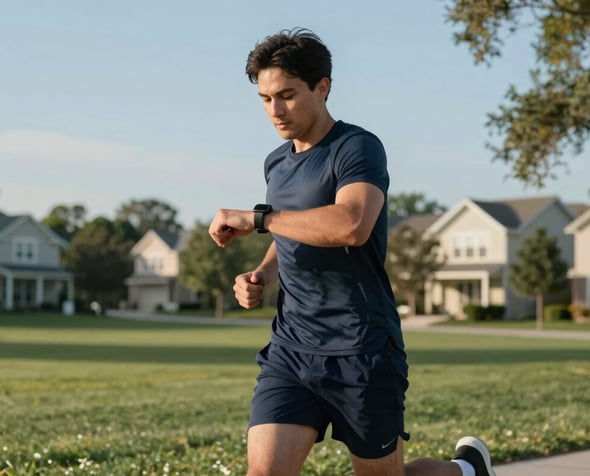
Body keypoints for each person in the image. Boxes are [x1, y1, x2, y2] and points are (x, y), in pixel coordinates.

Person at [208, 28, 496, 476]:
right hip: (291, 349)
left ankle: (467, 470)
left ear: (322, 87)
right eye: (265, 98)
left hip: (361, 350)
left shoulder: (356, 148)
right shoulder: (276, 163)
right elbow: (294, 232)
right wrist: (263, 272)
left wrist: (259, 219)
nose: (275, 110)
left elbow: (352, 225)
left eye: (287, 95)